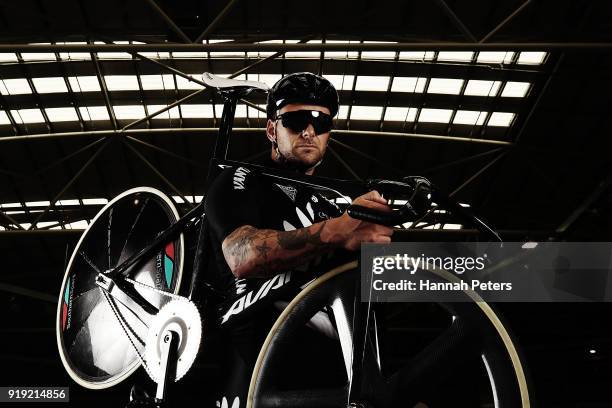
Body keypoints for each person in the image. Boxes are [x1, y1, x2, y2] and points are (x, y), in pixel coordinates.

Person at [204, 72, 394, 407]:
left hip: (331, 362)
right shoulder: (242, 177)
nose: (309, 131)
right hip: (258, 346)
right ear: (271, 130)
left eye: (321, 123)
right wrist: (338, 230)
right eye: (294, 121)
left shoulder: (333, 202)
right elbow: (241, 255)